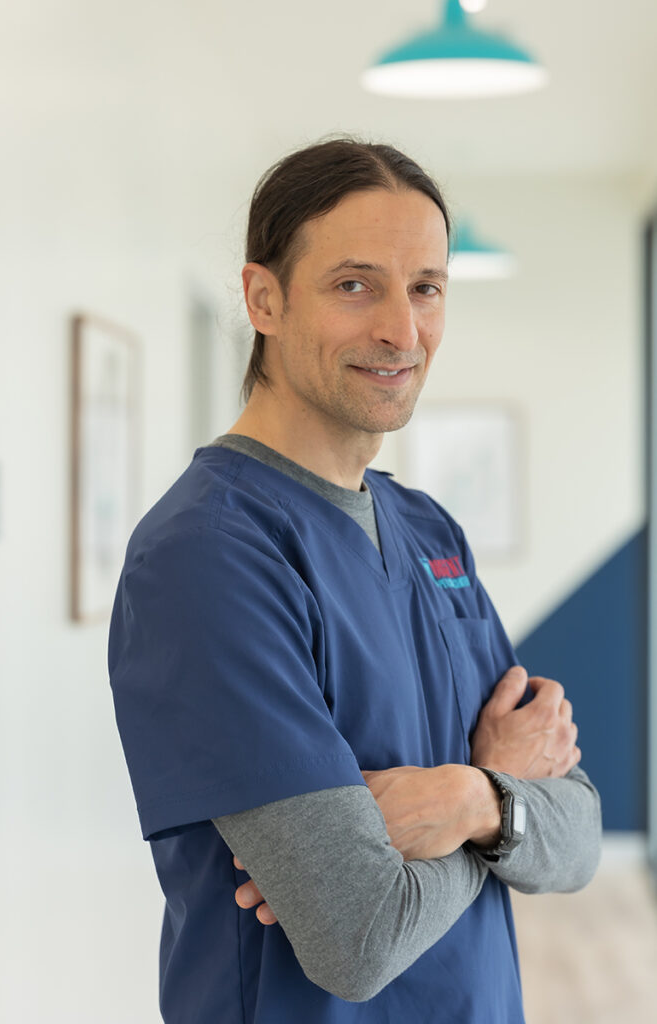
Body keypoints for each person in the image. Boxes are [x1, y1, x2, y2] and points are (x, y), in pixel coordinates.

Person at [108, 137, 602, 1024]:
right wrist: (498, 794)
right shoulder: (209, 552)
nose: (400, 331)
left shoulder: (428, 533)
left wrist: (464, 797)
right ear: (264, 298)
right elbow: (357, 936)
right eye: (353, 285)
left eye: (425, 288)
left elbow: (577, 840)